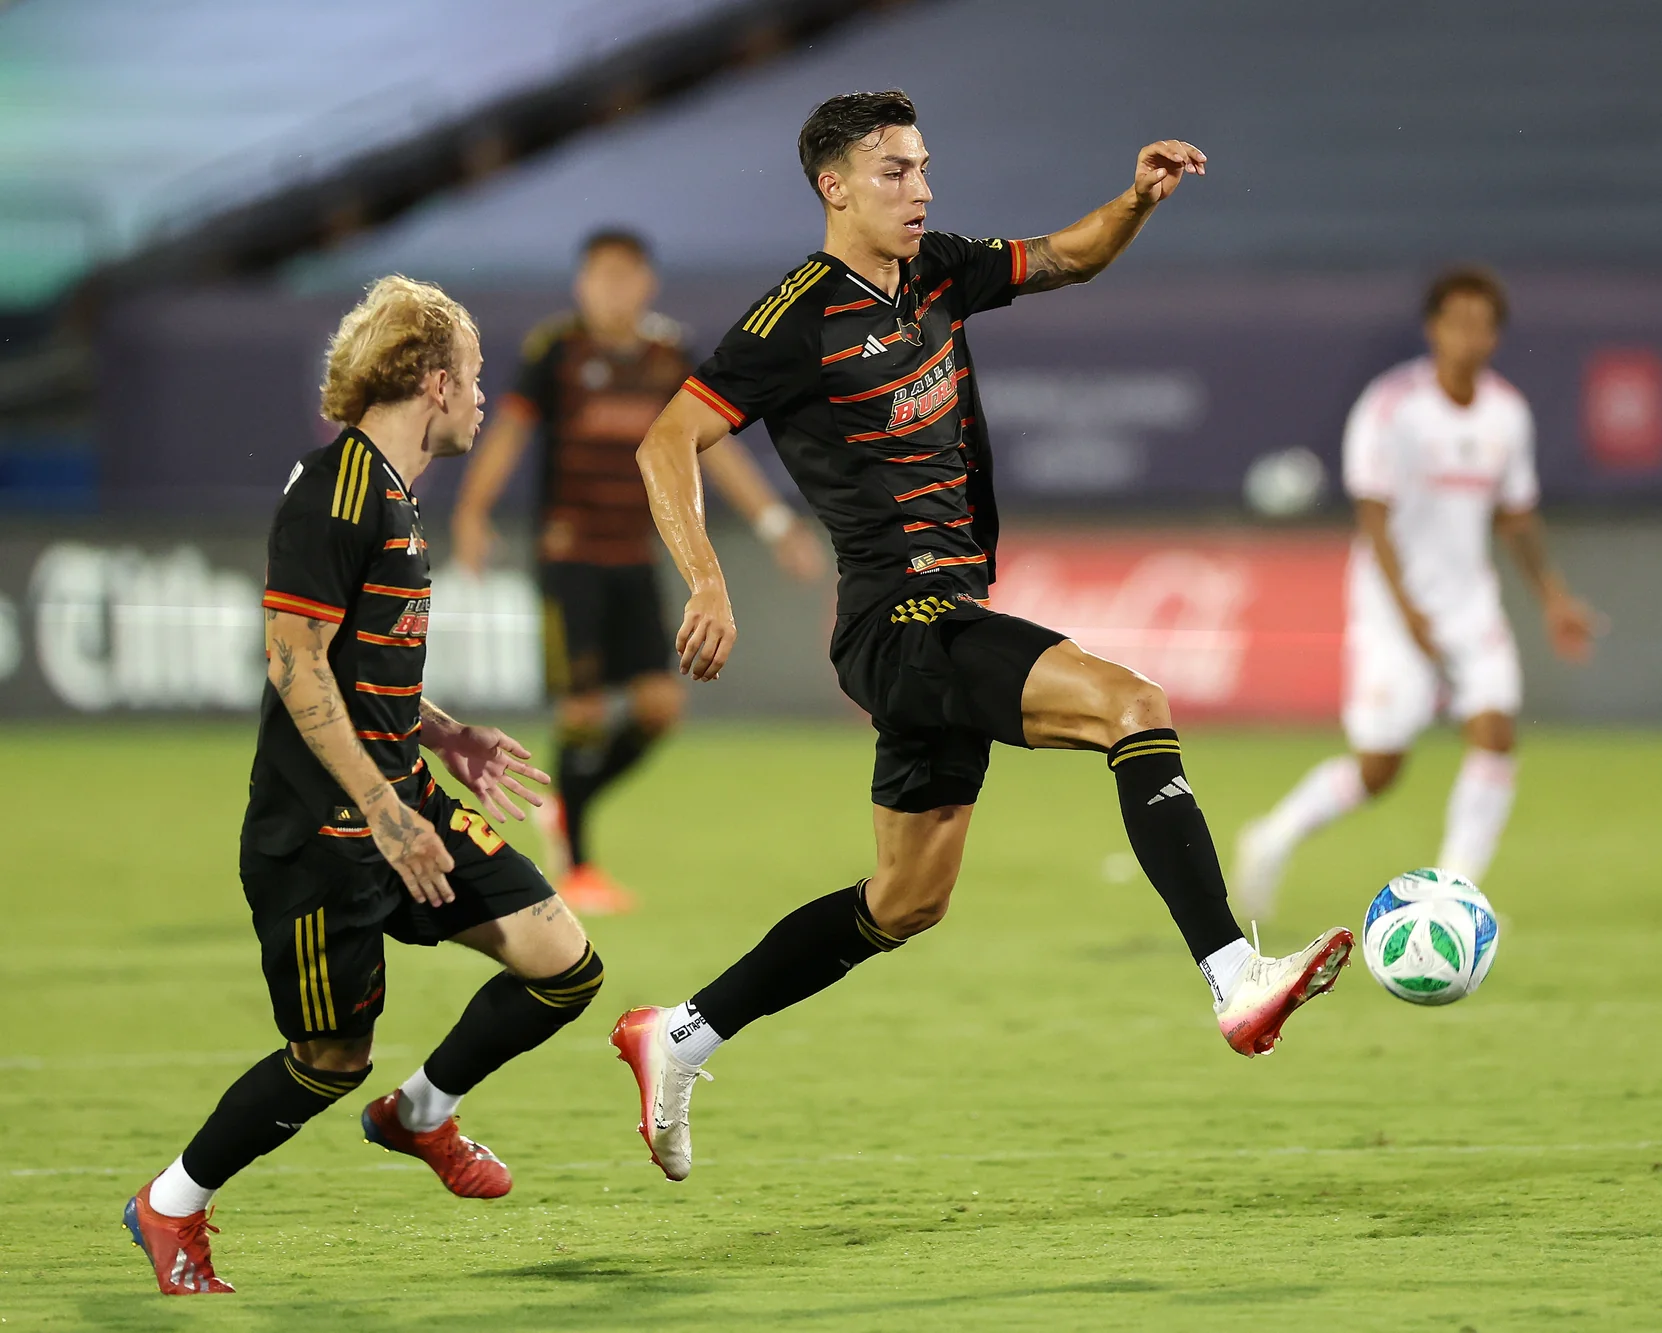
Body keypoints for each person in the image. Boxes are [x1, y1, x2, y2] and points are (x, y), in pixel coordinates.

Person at [607, 90, 1356, 1184]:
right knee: (1130, 703)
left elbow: (1063, 257)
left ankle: (678, 1034)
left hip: (943, 611)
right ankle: (1233, 974)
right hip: (897, 618)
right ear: (834, 186)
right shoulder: (792, 319)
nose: (922, 189)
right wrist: (707, 580)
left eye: (922, 167)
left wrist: (1135, 201)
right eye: (896, 172)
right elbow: (666, 439)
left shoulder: (934, 272)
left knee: (904, 899)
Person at [125, 277, 603, 1295]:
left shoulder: (393, 492)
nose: (480, 399)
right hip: (321, 832)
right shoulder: (339, 490)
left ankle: (420, 1111)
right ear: (433, 383)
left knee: (564, 962)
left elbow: (351, 661)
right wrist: (385, 809)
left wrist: (442, 734)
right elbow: (294, 662)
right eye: (473, 380)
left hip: (400, 796)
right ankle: (169, 1203)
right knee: (328, 1054)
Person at [451, 229, 826, 915]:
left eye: (626, 277)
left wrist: (775, 523)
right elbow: (508, 433)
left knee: (659, 709)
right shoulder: (555, 352)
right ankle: (580, 864)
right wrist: (473, 511)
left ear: (647, 284)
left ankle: (566, 803)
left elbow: (711, 448)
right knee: (586, 709)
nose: (612, 290)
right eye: (600, 276)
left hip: (636, 555)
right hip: (570, 558)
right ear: (581, 284)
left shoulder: (667, 355)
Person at [1232, 266, 1600, 921]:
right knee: (1380, 766)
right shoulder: (1390, 406)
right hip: (1389, 604)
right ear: (1433, 329)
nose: (1469, 336)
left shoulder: (1507, 414)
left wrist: (1553, 596)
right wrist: (1408, 614)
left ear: (1496, 336)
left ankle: (1456, 893)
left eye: (1482, 325)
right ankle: (1272, 837)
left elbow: (1515, 515)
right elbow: (1372, 515)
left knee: (1495, 730)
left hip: (1468, 603)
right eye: (1457, 322)